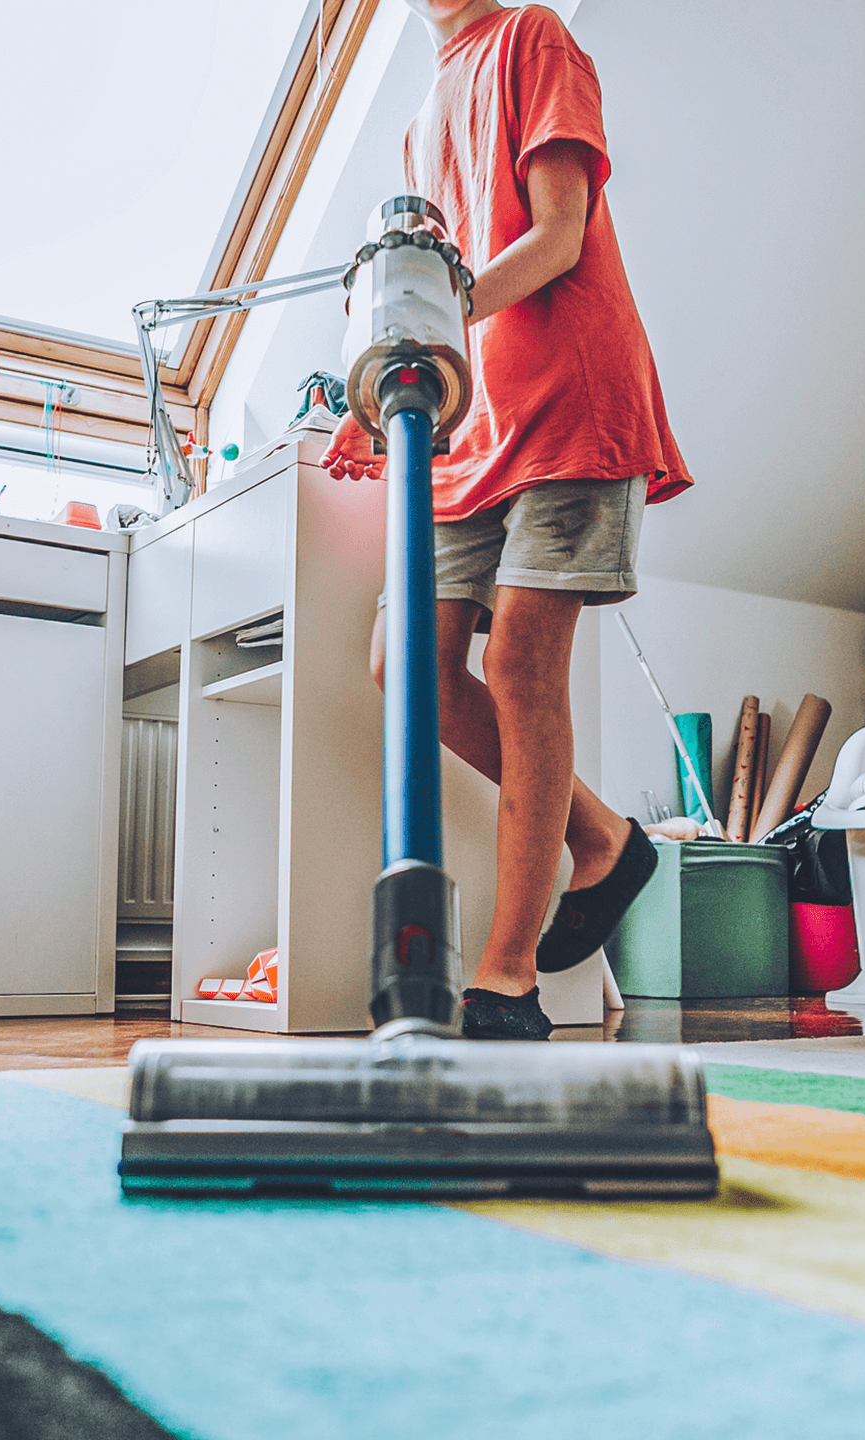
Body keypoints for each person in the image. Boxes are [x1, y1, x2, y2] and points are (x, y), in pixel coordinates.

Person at [322, 0, 697, 1039]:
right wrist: (385, 387)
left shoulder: (533, 36)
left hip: (573, 392)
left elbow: (560, 235)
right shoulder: (414, 122)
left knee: (527, 657)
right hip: (477, 422)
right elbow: (435, 289)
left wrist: (423, 336)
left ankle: (508, 975)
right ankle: (605, 840)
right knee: (408, 662)